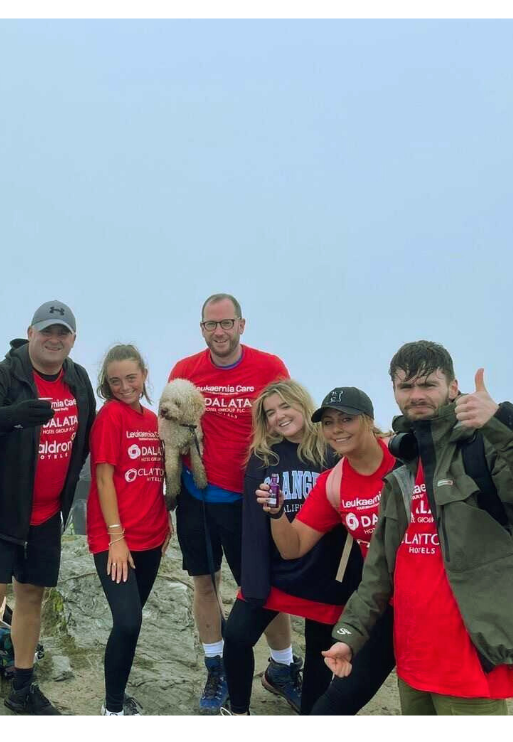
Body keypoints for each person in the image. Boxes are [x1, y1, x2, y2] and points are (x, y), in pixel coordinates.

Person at [324, 342, 513, 715]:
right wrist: (348, 636)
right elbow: (379, 571)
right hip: (413, 662)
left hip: (470, 663)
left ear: (453, 387)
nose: (416, 395)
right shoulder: (402, 469)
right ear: (395, 393)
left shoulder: (484, 449)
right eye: (406, 387)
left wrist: (507, 425)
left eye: (428, 385)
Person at [0, 300, 94, 715]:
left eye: (62, 333)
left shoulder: (78, 379)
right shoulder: (4, 374)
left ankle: (22, 686)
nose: (54, 339)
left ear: (72, 340)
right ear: (30, 333)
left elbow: (88, 436)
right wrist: (14, 416)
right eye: (46, 331)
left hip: (48, 515)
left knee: (31, 597)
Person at [167, 293, 293, 712]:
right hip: (197, 498)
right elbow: (169, 433)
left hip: (252, 500)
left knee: (264, 588)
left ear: (242, 325)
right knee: (206, 583)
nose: (218, 332)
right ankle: (216, 668)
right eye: (210, 325)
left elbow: (289, 422)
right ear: (201, 328)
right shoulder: (185, 371)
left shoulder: (269, 367)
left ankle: (283, 667)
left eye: (226, 323)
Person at [265, 386, 400, 714]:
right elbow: (292, 547)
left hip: (430, 606)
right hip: (383, 607)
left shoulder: (404, 459)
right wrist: (277, 513)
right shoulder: (333, 482)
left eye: (347, 419)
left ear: (368, 421)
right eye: (328, 422)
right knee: (331, 708)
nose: (337, 428)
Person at [223, 379, 337, 714]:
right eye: (270, 413)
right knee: (238, 636)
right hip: (276, 573)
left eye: (285, 406)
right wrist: (254, 583)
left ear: (302, 403)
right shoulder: (263, 458)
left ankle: (312, 715)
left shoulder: (333, 452)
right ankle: (239, 710)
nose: (279, 416)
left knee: (321, 654)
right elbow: (253, 526)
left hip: (323, 576)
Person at [86, 349, 180, 714]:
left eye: (131, 378)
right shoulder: (110, 416)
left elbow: (155, 474)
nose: (124, 386)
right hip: (116, 539)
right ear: (106, 385)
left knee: (131, 623)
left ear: (144, 374)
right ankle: (112, 711)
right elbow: (104, 478)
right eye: (115, 381)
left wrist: (165, 519)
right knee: (127, 622)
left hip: (152, 535)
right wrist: (116, 538)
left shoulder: (154, 419)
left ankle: (118, 697)